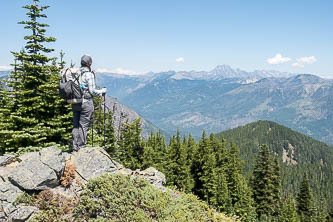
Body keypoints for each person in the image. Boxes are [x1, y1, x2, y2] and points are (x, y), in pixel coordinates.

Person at [72, 54, 107, 151]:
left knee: (76, 124)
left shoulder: (76, 73)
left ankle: (75, 146)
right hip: (86, 102)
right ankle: (81, 147)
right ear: (89, 63)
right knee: (83, 125)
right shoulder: (89, 75)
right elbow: (92, 91)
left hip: (75, 102)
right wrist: (102, 91)